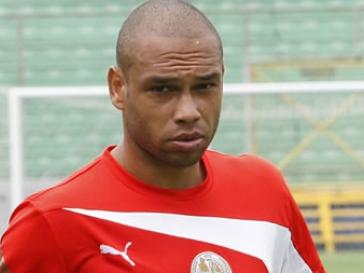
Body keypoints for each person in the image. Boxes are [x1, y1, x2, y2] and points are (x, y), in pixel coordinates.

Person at [0, 1, 326, 272]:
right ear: (118, 88)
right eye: (162, 89)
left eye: (205, 86)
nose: (188, 111)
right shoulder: (54, 221)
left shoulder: (264, 189)